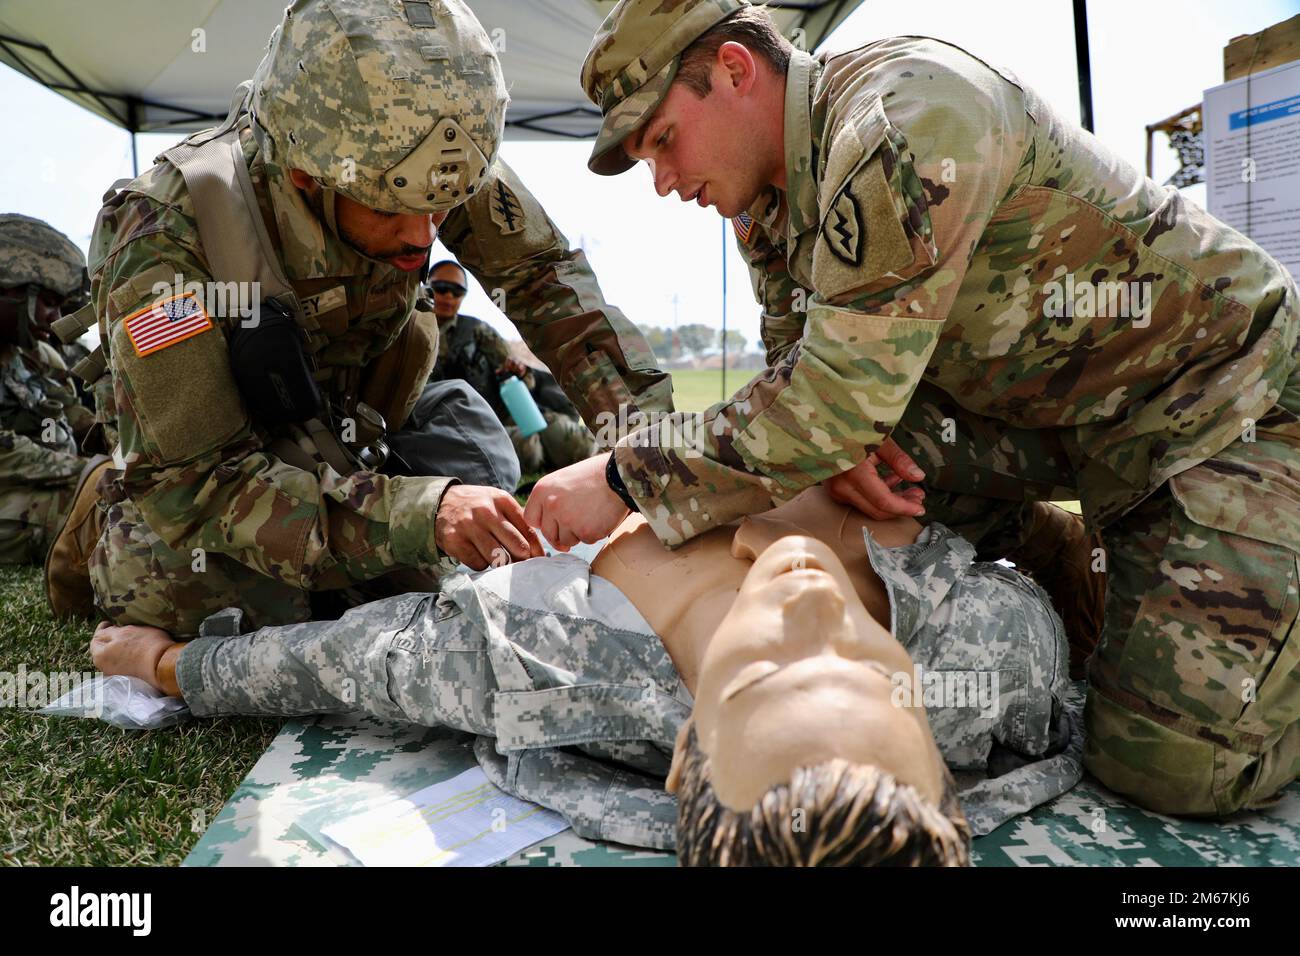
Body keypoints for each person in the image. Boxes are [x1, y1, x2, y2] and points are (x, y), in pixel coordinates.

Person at [522, 0, 1300, 818]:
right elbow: (802, 379)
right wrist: (840, 442)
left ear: (734, 70)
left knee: (1172, 772)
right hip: (1066, 418)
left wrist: (624, 475)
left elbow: (829, 402)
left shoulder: (903, 117)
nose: (665, 183)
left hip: (1218, 402)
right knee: (840, 478)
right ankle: (1063, 554)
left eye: (663, 142)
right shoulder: (775, 201)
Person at [66, 0, 669, 637]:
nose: (423, 236)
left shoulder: (431, 158)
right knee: (194, 595)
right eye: (390, 210)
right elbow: (197, 487)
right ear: (304, 177)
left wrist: (652, 455)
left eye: (447, 205)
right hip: (229, 474)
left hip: (364, 440)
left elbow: (547, 287)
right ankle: (98, 507)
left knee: (479, 455)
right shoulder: (167, 236)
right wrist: (423, 514)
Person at [91, 485, 1081, 864]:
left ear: (685, 748)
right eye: (879, 679)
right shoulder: (998, 649)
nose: (818, 609)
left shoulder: (536, 659)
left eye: (766, 675)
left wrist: (168, 663)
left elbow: (340, 661)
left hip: (567, 508)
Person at [423, 259, 598, 475]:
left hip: (499, 416)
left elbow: (520, 377)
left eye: (457, 291)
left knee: (576, 443)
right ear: (427, 288)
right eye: (442, 288)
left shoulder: (477, 330)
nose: (449, 296)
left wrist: (519, 373)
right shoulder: (410, 329)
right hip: (449, 426)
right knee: (528, 451)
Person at [0, 214, 97, 564]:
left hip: (36, 482)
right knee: (87, 515)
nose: (56, 318)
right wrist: (89, 472)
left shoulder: (36, 356)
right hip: (16, 493)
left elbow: (77, 416)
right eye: (48, 302)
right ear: (9, 288)